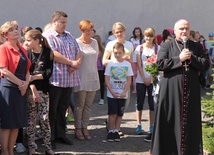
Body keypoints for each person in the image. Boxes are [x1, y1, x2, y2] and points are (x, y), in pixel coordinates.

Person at [150, 19, 210, 155]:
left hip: (191, 91)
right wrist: (179, 59)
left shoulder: (196, 46)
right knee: (170, 120)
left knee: (190, 122)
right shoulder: (166, 46)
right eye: (181, 29)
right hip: (170, 92)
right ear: (175, 31)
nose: (184, 31)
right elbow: (160, 64)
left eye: (187, 28)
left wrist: (192, 58)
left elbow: (205, 64)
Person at [43, 11, 82, 148]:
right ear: (54, 21)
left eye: (66, 22)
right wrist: (71, 63)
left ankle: (61, 134)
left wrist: (76, 62)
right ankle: (50, 137)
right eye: (62, 22)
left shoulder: (69, 35)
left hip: (69, 79)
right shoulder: (47, 36)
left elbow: (78, 51)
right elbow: (54, 54)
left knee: (63, 108)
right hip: (56, 79)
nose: (65, 25)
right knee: (52, 109)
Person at [24, 29, 58, 155]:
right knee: (31, 119)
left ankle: (48, 146)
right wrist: (33, 89)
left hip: (44, 90)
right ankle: (31, 146)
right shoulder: (27, 54)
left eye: (29, 40)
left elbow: (48, 73)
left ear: (37, 40)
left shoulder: (48, 52)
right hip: (31, 91)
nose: (26, 43)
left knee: (44, 119)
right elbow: (26, 73)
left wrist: (34, 77)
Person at [0, 21, 31, 155]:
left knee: (17, 122)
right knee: (7, 123)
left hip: (21, 87)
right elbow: (4, 70)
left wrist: (26, 84)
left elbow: (28, 69)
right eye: (12, 30)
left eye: (17, 28)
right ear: (5, 34)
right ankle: (5, 151)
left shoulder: (22, 48)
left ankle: (11, 152)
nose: (16, 31)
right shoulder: (3, 48)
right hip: (9, 87)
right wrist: (20, 83)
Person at [103, 22, 133, 136]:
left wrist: (127, 61)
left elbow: (132, 62)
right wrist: (116, 62)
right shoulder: (110, 44)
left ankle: (116, 127)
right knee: (113, 106)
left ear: (124, 31)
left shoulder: (129, 44)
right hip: (114, 76)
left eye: (121, 31)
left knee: (124, 104)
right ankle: (112, 128)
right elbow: (104, 61)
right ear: (114, 33)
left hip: (125, 79)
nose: (119, 34)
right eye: (117, 32)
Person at [73, 19, 100, 140]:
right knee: (79, 104)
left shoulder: (94, 42)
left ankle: (85, 127)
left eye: (91, 30)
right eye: (87, 30)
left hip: (93, 77)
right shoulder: (76, 42)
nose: (90, 32)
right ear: (82, 30)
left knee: (88, 105)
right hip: (81, 77)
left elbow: (95, 59)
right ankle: (77, 129)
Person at [135, 28, 160, 142]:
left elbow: (157, 64)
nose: (148, 38)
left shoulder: (157, 48)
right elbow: (139, 65)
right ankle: (139, 124)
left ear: (153, 37)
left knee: (152, 103)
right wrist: (144, 77)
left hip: (152, 79)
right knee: (139, 102)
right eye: (146, 36)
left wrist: (151, 78)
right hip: (141, 79)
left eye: (150, 36)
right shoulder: (139, 48)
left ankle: (152, 125)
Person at [130, 27, 144, 94]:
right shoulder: (132, 39)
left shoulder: (142, 39)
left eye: (138, 32)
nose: (137, 33)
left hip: (140, 58)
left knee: (141, 72)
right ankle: (135, 88)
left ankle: (143, 88)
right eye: (136, 32)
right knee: (134, 74)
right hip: (133, 58)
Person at [94, 34, 105, 105]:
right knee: (93, 83)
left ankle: (102, 98)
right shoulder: (92, 49)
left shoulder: (101, 50)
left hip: (100, 69)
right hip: (93, 69)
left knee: (101, 84)